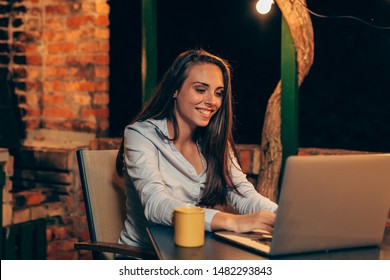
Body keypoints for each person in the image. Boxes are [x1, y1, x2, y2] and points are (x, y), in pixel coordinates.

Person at [116, 49, 278, 249]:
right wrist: (232, 221)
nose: (212, 101)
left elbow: (242, 193)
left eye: (218, 93)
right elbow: (155, 204)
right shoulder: (140, 135)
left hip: (191, 251)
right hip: (144, 256)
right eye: (200, 90)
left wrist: (283, 217)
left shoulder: (214, 141)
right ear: (175, 90)